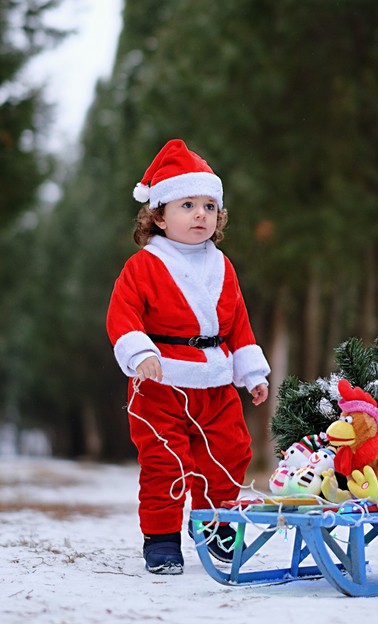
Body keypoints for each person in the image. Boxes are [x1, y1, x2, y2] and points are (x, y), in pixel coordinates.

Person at [106, 139, 270, 575]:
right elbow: (122, 315)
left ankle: (218, 526)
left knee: (230, 452)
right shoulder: (142, 266)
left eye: (209, 206)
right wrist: (140, 352)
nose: (201, 214)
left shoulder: (223, 266)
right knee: (166, 460)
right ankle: (161, 539)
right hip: (161, 380)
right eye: (187, 204)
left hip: (215, 381)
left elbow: (237, 322)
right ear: (158, 214)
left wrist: (250, 370)